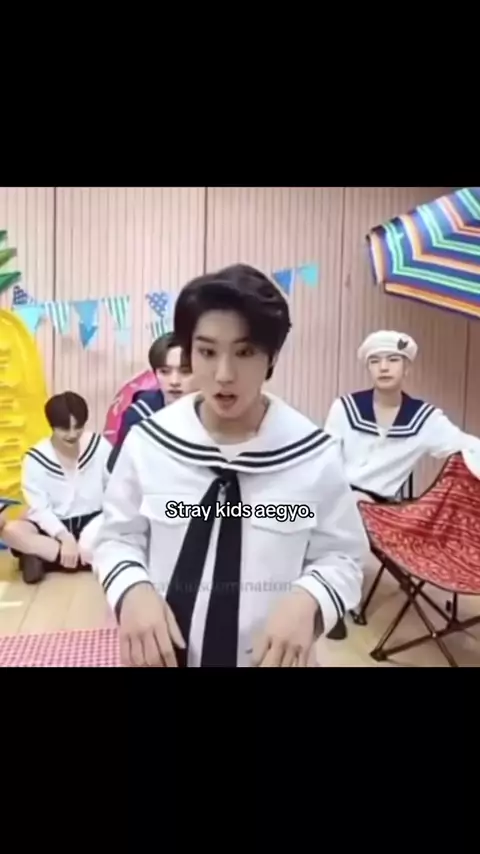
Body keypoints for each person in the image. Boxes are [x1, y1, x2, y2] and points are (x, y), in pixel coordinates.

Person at [92, 263, 369, 668]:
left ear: (271, 357)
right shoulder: (148, 443)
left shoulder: (313, 454)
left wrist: (309, 597)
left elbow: (343, 556)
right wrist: (132, 589)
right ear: (190, 353)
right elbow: (116, 537)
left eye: (245, 352)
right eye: (207, 352)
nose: (224, 375)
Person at [324, 329, 480, 504]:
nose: (383, 367)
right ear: (368, 368)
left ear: (407, 368)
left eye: (393, 360)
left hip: (383, 508)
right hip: (337, 499)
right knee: (300, 513)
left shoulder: (424, 418)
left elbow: (471, 446)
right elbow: (326, 460)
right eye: (374, 361)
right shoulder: (345, 407)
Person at [2, 391, 111, 584]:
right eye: (64, 429)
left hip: (95, 521)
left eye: (78, 427)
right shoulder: (35, 458)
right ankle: (78, 559)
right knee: (11, 530)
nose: (72, 434)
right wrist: (64, 537)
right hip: (51, 526)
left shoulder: (99, 446)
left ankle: (45, 559)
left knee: (124, 529)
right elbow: (40, 509)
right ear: (52, 426)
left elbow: (114, 491)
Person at [107, 332, 195, 473]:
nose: (174, 381)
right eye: (165, 372)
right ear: (155, 373)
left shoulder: (217, 415)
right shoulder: (139, 415)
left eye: (185, 372)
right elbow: (116, 470)